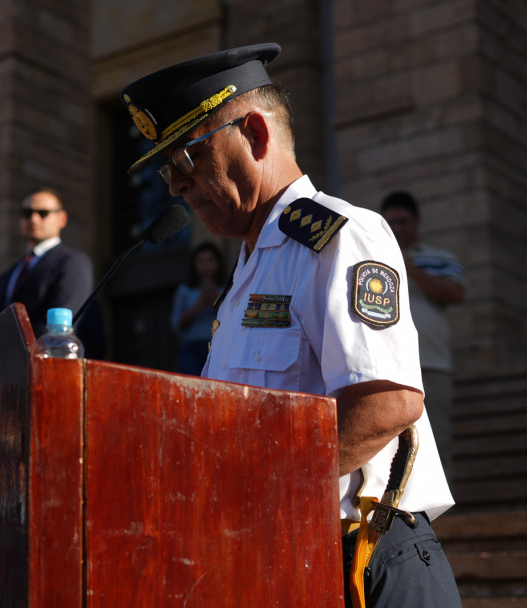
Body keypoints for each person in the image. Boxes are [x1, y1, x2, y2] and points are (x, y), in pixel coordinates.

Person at [121, 44, 461, 607]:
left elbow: (386, 403)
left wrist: (250, 502)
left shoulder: (337, 235)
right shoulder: (249, 270)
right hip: (286, 556)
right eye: (165, 171)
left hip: (361, 560)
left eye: (185, 159)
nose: (175, 187)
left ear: (254, 134)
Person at [380, 191, 465, 481]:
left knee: (438, 440)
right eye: (391, 223)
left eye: (403, 221)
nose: (397, 228)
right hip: (390, 366)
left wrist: (409, 267)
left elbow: (455, 293)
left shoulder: (440, 257)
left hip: (433, 364)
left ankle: (448, 523)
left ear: (417, 221)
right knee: (390, 444)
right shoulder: (375, 254)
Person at [0, 188, 94, 338]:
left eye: (43, 213)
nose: (33, 219)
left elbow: (59, 328)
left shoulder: (72, 263)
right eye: (27, 213)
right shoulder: (6, 276)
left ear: (62, 219)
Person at [169, 242, 226, 375]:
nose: (206, 266)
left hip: (217, 347)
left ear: (218, 262)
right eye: (201, 262)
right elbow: (176, 324)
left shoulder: (227, 289)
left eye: (210, 261)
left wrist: (218, 303)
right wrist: (198, 306)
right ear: (194, 265)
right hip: (191, 349)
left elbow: (234, 321)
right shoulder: (184, 291)